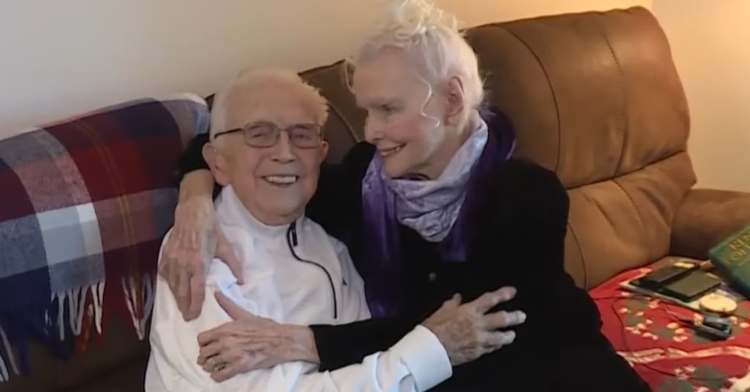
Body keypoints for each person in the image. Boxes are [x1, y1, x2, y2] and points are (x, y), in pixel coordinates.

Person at [160, 0, 652, 391]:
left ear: (452, 100)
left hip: (552, 372)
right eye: (365, 111)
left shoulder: (526, 197)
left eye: (388, 109)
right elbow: (248, 158)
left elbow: (465, 328)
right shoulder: (365, 182)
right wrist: (196, 198)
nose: (371, 131)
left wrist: (301, 342)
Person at [145, 68, 523, 392]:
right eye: (259, 133)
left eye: (302, 134)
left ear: (322, 155)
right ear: (218, 163)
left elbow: (368, 354)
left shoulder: (333, 240)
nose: (285, 152)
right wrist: (431, 352)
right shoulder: (197, 256)